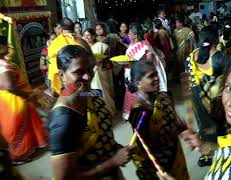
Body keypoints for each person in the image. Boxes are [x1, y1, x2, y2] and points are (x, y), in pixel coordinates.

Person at [48, 45, 132, 180]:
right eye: (78, 72)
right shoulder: (63, 120)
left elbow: (100, 133)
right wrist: (113, 162)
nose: (88, 77)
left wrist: (113, 147)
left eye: (90, 70)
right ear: (62, 75)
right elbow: (64, 177)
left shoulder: (89, 94)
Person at [126, 60, 189, 179]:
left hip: (175, 154)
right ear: (138, 83)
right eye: (151, 76)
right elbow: (143, 146)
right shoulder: (138, 112)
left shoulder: (165, 96)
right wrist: (170, 132)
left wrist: (179, 126)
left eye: (156, 74)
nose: (157, 78)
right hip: (158, 167)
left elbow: (173, 119)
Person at [185, 25, 228, 167]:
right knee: (218, 127)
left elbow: (188, 76)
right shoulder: (219, 58)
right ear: (216, 38)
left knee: (204, 126)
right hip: (213, 101)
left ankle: (206, 155)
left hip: (196, 98)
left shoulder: (192, 55)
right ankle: (220, 155)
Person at [0, 35, 48, 163]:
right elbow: (10, 87)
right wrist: (26, 95)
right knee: (19, 127)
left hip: (5, 101)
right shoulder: (3, 64)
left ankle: (21, 151)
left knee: (14, 127)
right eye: (6, 45)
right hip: (13, 101)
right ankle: (19, 154)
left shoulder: (5, 62)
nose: (8, 47)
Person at [121, 23, 167, 120]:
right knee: (131, 92)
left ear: (135, 35)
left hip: (141, 74)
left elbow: (149, 62)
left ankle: (148, 113)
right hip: (131, 71)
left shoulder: (145, 45)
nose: (128, 35)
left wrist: (135, 63)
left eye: (130, 33)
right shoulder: (131, 45)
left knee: (142, 94)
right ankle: (132, 113)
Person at [48, 18, 91, 97]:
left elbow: (53, 72)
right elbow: (93, 62)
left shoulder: (54, 45)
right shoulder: (82, 41)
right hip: (85, 86)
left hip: (65, 89)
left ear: (61, 28)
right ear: (73, 28)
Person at [83, 28, 116, 116]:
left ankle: (109, 111)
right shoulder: (83, 47)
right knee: (94, 93)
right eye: (85, 35)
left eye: (88, 35)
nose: (86, 37)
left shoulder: (100, 45)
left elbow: (108, 56)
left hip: (100, 72)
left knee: (104, 92)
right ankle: (99, 113)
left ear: (93, 36)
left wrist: (101, 59)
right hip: (89, 73)